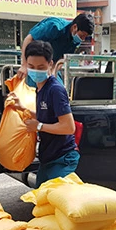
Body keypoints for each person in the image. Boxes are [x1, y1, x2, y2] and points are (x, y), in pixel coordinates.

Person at [9, 40, 79, 187]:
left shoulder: (55, 90)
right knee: (41, 202)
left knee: (54, 204)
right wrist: (23, 109)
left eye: (41, 67)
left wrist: (39, 126)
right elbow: (47, 117)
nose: (35, 71)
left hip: (62, 159)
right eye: (31, 67)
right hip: (48, 158)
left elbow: (68, 127)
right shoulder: (40, 88)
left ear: (50, 64)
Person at [17, 13, 95, 81]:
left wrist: (53, 71)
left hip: (50, 67)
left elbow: (62, 58)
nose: (82, 39)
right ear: (75, 27)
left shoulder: (75, 40)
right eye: (82, 36)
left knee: (58, 89)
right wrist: (24, 65)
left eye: (85, 37)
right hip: (35, 66)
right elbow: (28, 39)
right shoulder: (54, 27)